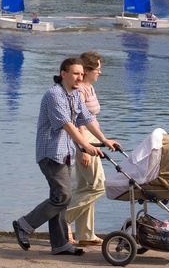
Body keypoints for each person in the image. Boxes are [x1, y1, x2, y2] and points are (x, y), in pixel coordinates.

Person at [12, 57, 120, 256]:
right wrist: (86, 145)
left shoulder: (75, 95)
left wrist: (105, 140)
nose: (79, 77)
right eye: (75, 73)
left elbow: (87, 119)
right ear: (64, 74)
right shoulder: (55, 95)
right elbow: (66, 125)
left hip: (66, 153)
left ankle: (60, 244)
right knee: (63, 196)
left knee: (59, 197)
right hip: (51, 153)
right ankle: (24, 224)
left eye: (81, 74)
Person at [66, 51, 106, 247]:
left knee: (85, 187)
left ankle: (85, 234)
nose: (100, 72)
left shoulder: (89, 87)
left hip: (91, 137)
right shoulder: (80, 89)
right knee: (98, 185)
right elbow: (78, 120)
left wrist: (104, 139)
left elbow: (92, 118)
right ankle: (64, 217)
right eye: (97, 69)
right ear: (88, 69)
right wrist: (84, 149)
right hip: (84, 140)